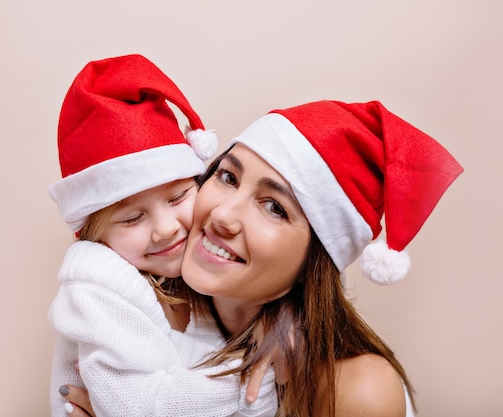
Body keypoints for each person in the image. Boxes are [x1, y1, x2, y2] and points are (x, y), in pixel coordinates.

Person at [63, 100, 463, 417]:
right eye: (228, 177)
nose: (221, 214)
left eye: (274, 207)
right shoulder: (142, 310)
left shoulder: (358, 390)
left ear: (315, 260)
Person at [47, 54, 278, 417]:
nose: (166, 228)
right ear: (96, 235)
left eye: (178, 197)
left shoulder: (205, 264)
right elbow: (141, 408)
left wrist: (283, 327)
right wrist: (261, 375)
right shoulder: (97, 290)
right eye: (131, 218)